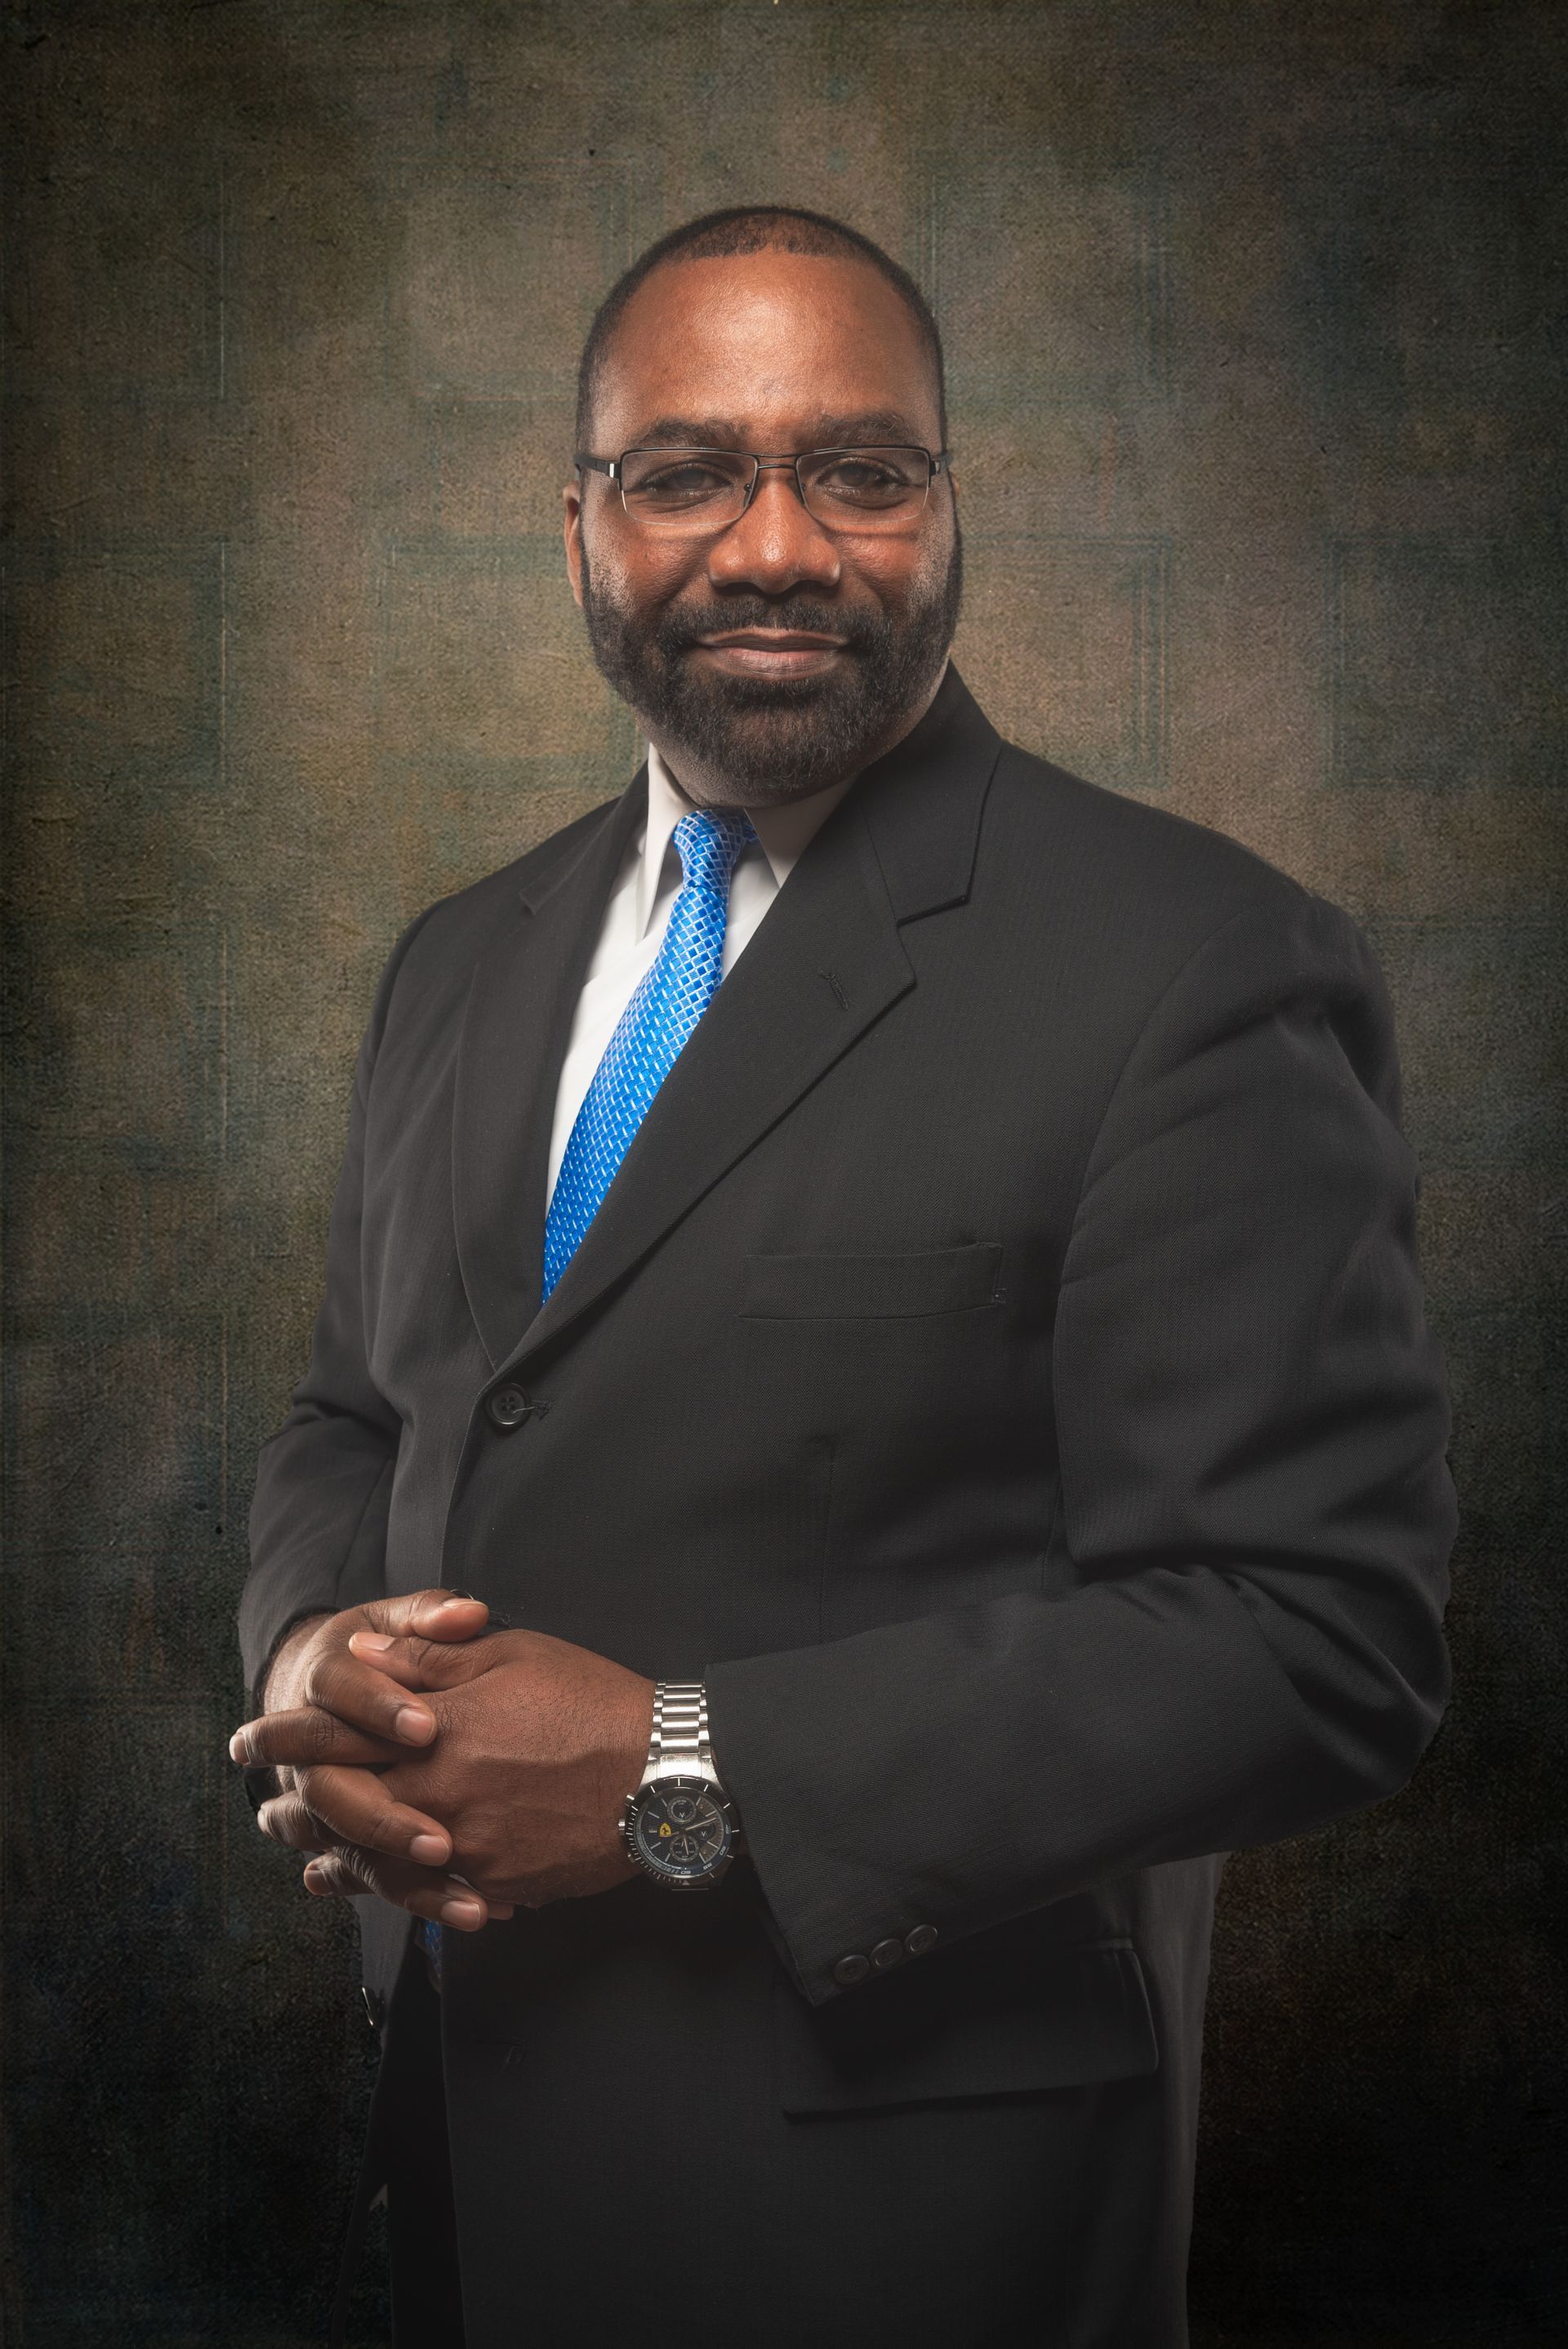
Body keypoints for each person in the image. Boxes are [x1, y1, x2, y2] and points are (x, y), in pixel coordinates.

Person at [230, 205, 1457, 2349]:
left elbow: (1316, 1632)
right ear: (583, 520)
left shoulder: (1188, 963)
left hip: (910, 2233)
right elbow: (365, 1415)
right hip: (466, 2166)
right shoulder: (460, 961)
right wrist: (323, 1643)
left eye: (859, 471)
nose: (777, 542)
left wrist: (675, 1775)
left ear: (949, 501)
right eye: (691, 469)